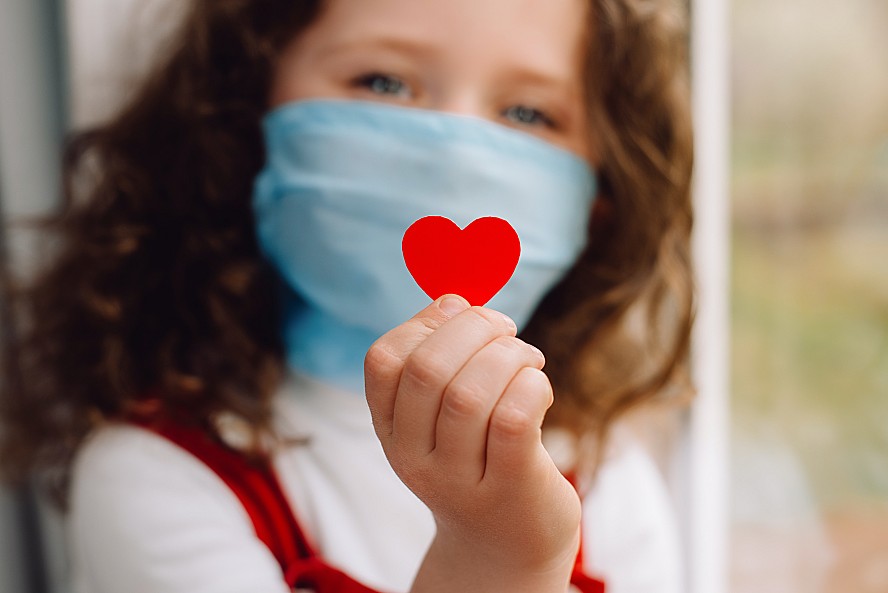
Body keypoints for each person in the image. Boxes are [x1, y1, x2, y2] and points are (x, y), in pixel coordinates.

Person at [0, 0, 694, 592]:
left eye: (526, 111)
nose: (453, 148)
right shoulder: (154, 475)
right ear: (242, 122)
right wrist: (496, 562)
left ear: (599, 199)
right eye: (385, 82)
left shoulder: (608, 476)